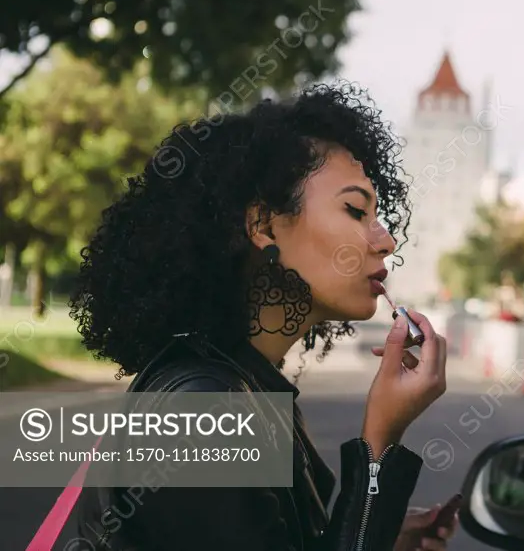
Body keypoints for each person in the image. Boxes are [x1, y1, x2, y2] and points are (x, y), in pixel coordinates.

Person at [70, 83, 457, 550]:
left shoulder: (242, 389)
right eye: (355, 210)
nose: (385, 241)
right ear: (265, 225)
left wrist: (378, 534)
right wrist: (379, 447)